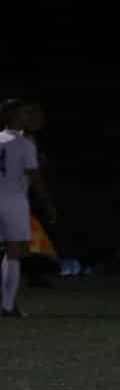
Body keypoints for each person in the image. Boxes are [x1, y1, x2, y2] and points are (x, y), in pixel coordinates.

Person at [0, 97, 60, 319]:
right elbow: (35, 177)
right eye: (24, 113)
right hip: (13, 201)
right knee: (16, 252)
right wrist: (47, 202)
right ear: (12, 116)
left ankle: (8, 304)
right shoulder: (23, 144)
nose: (28, 117)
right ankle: (7, 306)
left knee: (10, 251)